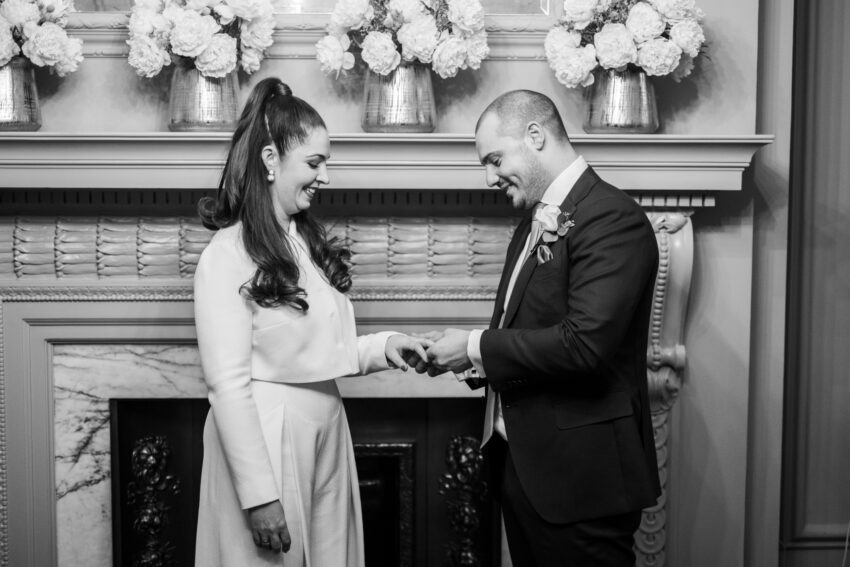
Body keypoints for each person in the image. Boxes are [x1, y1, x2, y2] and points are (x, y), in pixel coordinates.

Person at [193, 77, 429, 567]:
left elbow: (315, 349)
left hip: (325, 425)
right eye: (315, 163)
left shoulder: (303, 240)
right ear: (271, 160)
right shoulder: (226, 254)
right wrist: (259, 495)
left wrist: (384, 345)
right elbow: (228, 385)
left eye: (327, 163)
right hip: (268, 436)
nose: (325, 176)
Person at [419, 90, 662, 566]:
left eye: (494, 159)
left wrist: (473, 347)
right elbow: (527, 330)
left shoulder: (612, 218)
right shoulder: (534, 219)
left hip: (581, 482)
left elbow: (584, 346)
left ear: (536, 135)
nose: (489, 178)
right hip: (527, 472)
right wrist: (462, 358)